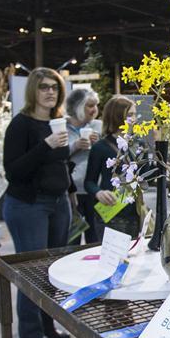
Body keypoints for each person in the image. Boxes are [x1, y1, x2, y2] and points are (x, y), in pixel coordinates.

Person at [2, 68, 73, 338]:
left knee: (52, 271)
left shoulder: (57, 123)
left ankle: (47, 326)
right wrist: (45, 146)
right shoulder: (21, 125)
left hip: (58, 203)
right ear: (33, 90)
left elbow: (59, 165)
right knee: (31, 272)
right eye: (44, 87)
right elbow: (14, 171)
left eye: (55, 87)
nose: (50, 92)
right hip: (29, 205)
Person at [85, 96, 141, 241]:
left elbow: (145, 177)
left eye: (135, 114)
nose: (134, 118)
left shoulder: (139, 144)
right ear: (117, 116)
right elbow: (89, 182)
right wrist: (98, 193)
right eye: (129, 115)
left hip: (135, 213)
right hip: (110, 213)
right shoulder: (100, 147)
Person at [66, 89, 102, 244]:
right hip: (72, 190)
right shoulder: (62, 127)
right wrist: (74, 146)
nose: (94, 109)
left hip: (95, 189)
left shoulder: (98, 126)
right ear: (78, 107)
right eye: (89, 105)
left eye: (95, 105)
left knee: (95, 238)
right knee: (71, 238)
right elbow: (54, 156)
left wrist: (99, 143)